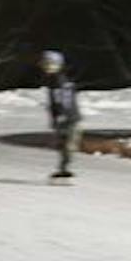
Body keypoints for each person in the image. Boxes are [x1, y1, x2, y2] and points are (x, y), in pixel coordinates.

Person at [38, 49, 81, 180]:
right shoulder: (54, 79)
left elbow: (64, 99)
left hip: (68, 117)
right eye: (44, 64)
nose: (45, 67)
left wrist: (62, 114)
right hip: (65, 117)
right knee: (63, 143)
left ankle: (65, 170)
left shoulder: (58, 80)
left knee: (67, 143)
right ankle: (64, 169)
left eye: (48, 64)